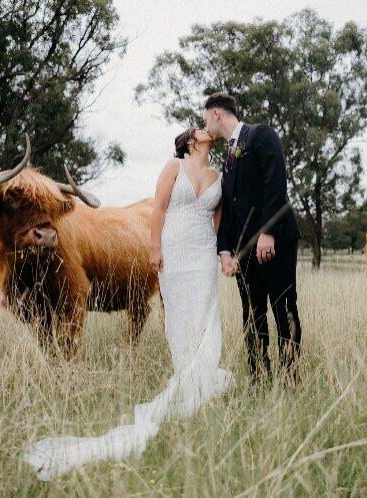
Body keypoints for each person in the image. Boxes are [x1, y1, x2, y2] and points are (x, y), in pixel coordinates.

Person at [22, 126, 233, 481]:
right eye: (198, 129)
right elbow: (160, 208)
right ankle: (187, 378)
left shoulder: (218, 175)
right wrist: (154, 248)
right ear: (191, 141)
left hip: (203, 253)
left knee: (208, 317)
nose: (205, 129)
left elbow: (218, 217)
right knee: (181, 317)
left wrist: (222, 249)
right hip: (177, 252)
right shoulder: (173, 166)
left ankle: (203, 377)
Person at [202, 92, 302, 385]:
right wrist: (224, 250)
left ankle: (290, 380)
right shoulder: (228, 160)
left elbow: (276, 183)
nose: (205, 124)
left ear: (217, 113)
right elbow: (230, 210)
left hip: (276, 242)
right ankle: (260, 377)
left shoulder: (261, 135)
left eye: (205, 117)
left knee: (284, 309)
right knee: (252, 314)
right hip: (244, 254)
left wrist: (268, 232)